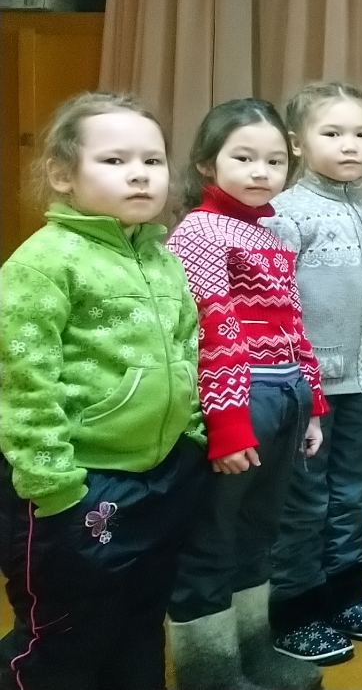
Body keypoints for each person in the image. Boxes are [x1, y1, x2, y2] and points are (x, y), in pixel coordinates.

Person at [0, 94, 207, 690]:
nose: (139, 174)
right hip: (77, 484)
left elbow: (186, 350)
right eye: (114, 161)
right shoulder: (43, 263)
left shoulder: (162, 258)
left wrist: (192, 440)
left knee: (139, 621)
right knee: (67, 636)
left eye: (152, 160)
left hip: (161, 477)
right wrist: (55, 488)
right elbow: (25, 384)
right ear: (62, 174)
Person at [165, 99, 329, 690]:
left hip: (284, 392)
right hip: (239, 397)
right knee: (213, 538)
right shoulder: (199, 230)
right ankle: (210, 673)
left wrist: (312, 404)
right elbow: (211, 328)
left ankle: (253, 654)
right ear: (207, 164)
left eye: (274, 161)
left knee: (259, 531)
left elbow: (291, 321)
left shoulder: (269, 230)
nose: (261, 172)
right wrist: (228, 424)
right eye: (244, 158)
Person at [263, 83, 362, 664]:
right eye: (332, 133)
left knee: (353, 493)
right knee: (303, 499)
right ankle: (295, 608)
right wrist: (290, 377)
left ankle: (345, 594)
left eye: (361, 133)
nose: (350, 145)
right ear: (297, 144)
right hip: (308, 389)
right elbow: (273, 307)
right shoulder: (284, 214)